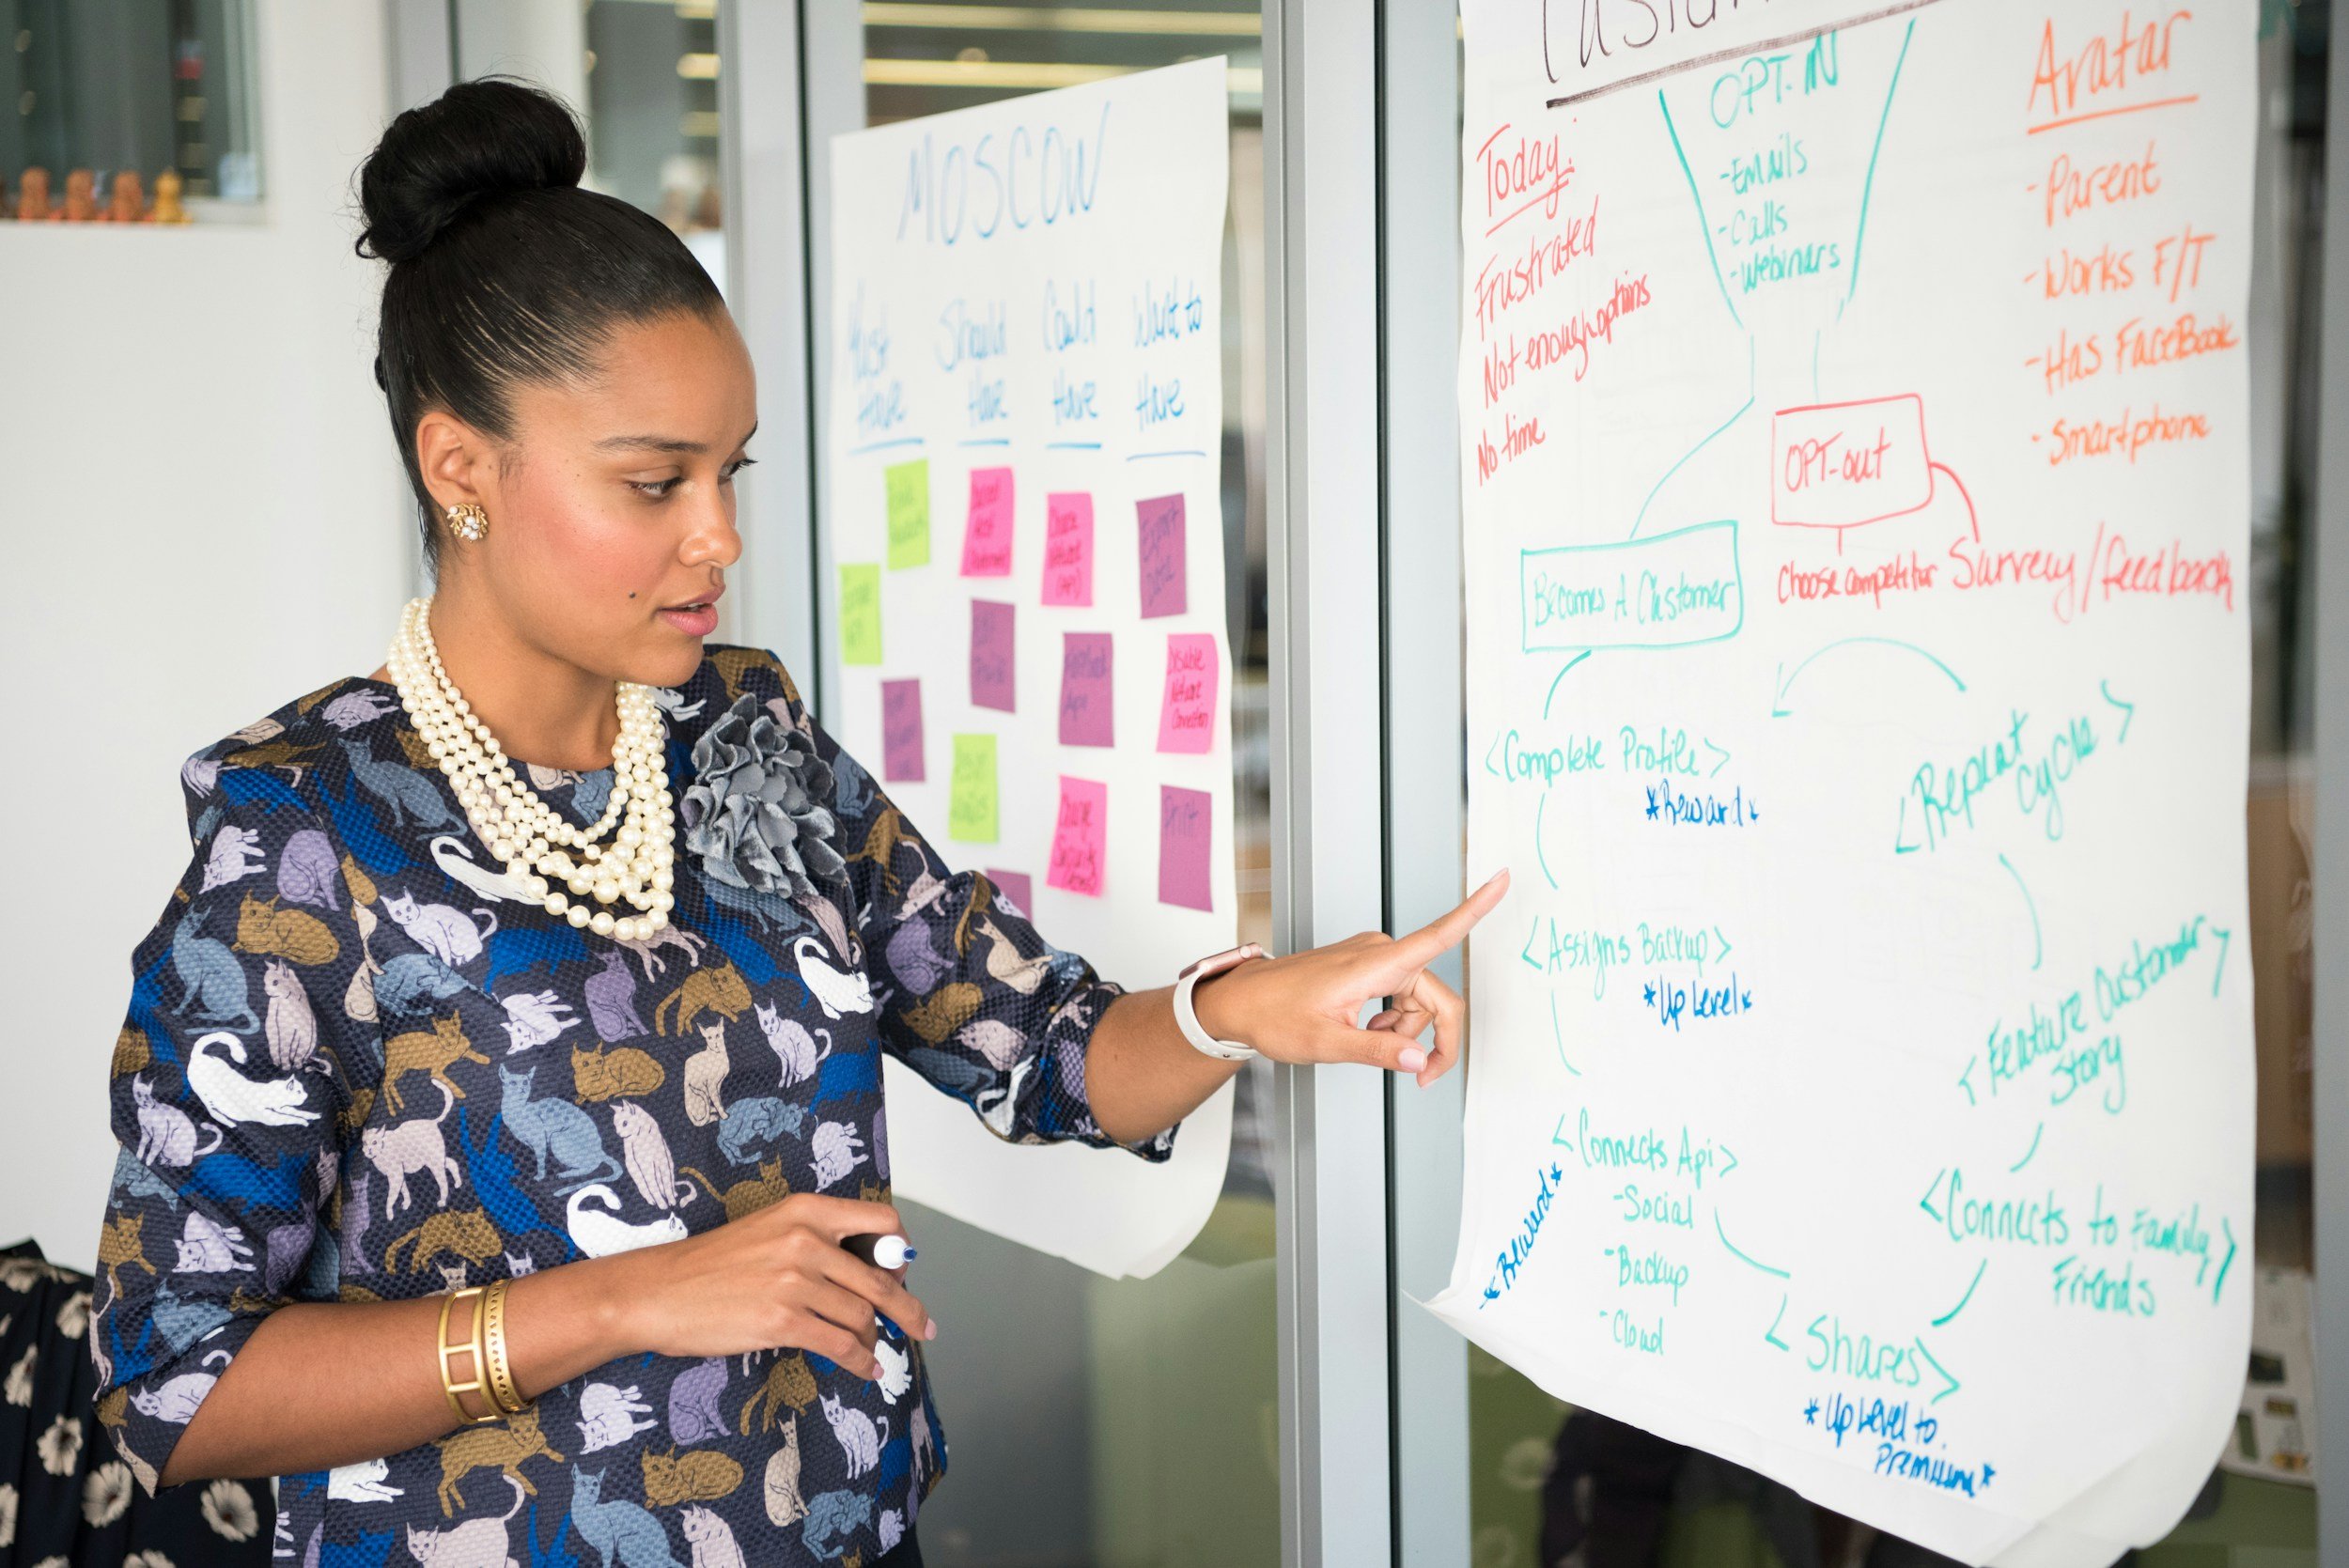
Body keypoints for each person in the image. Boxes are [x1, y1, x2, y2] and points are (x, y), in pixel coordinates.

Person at [87, 78, 1505, 1565]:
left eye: (729, 471)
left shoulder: (744, 736)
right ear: (462, 472)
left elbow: (1047, 1050)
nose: (720, 536)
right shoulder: (296, 835)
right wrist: (632, 1296)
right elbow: (176, 1384)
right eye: (655, 482)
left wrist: (1249, 1010)